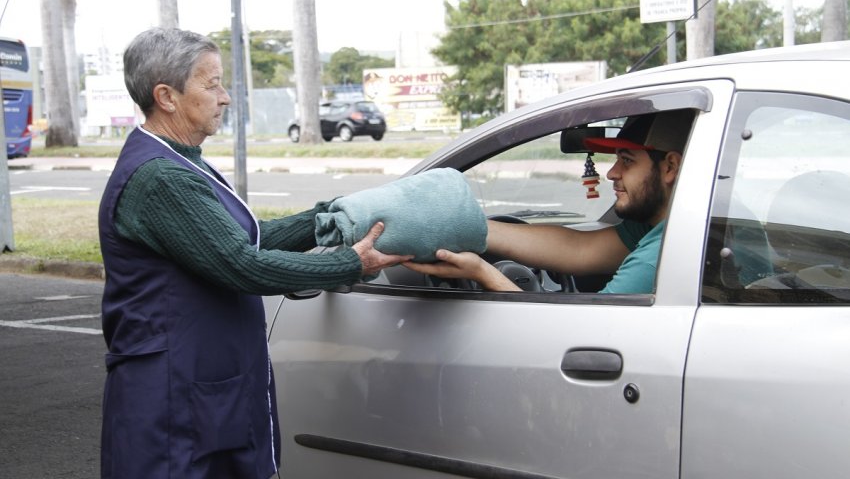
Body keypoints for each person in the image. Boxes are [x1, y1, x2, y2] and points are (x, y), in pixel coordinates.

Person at [98, 27, 410, 479]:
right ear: (166, 96)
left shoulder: (181, 160)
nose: (224, 97)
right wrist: (347, 262)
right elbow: (241, 264)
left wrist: (329, 218)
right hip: (171, 397)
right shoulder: (159, 177)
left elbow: (247, 238)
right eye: (212, 84)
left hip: (203, 389)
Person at [404, 110, 694, 294]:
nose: (612, 173)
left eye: (627, 161)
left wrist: (482, 272)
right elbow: (580, 250)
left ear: (670, 167)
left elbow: (584, 338)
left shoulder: (665, 252)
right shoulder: (661, 228)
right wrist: (466, 226)